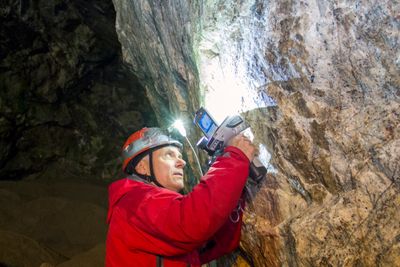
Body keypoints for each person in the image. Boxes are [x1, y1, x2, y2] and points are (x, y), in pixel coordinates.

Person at [105, 127, 256, 267]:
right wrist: (234, 158)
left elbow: (217, 242)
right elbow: (193, 222)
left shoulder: (158, 216)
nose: (182, 162)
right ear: (142, 167)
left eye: (180, 156)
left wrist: (234, 186)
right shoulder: (134, 203)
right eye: (169, 155)